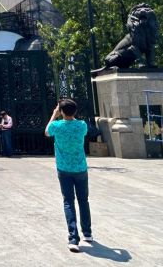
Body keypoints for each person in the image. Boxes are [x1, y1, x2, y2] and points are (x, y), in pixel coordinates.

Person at [45, 98, 92, 253]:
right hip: (80, 168)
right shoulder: (82, 125)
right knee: (83, 200)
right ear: (75, 111)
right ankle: (87, 233)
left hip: (64, 168)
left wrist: (54, 114)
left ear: (61, 112)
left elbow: (46, 132)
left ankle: (73, 238)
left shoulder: (57, 126)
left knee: (68, 202)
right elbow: (79, 126)